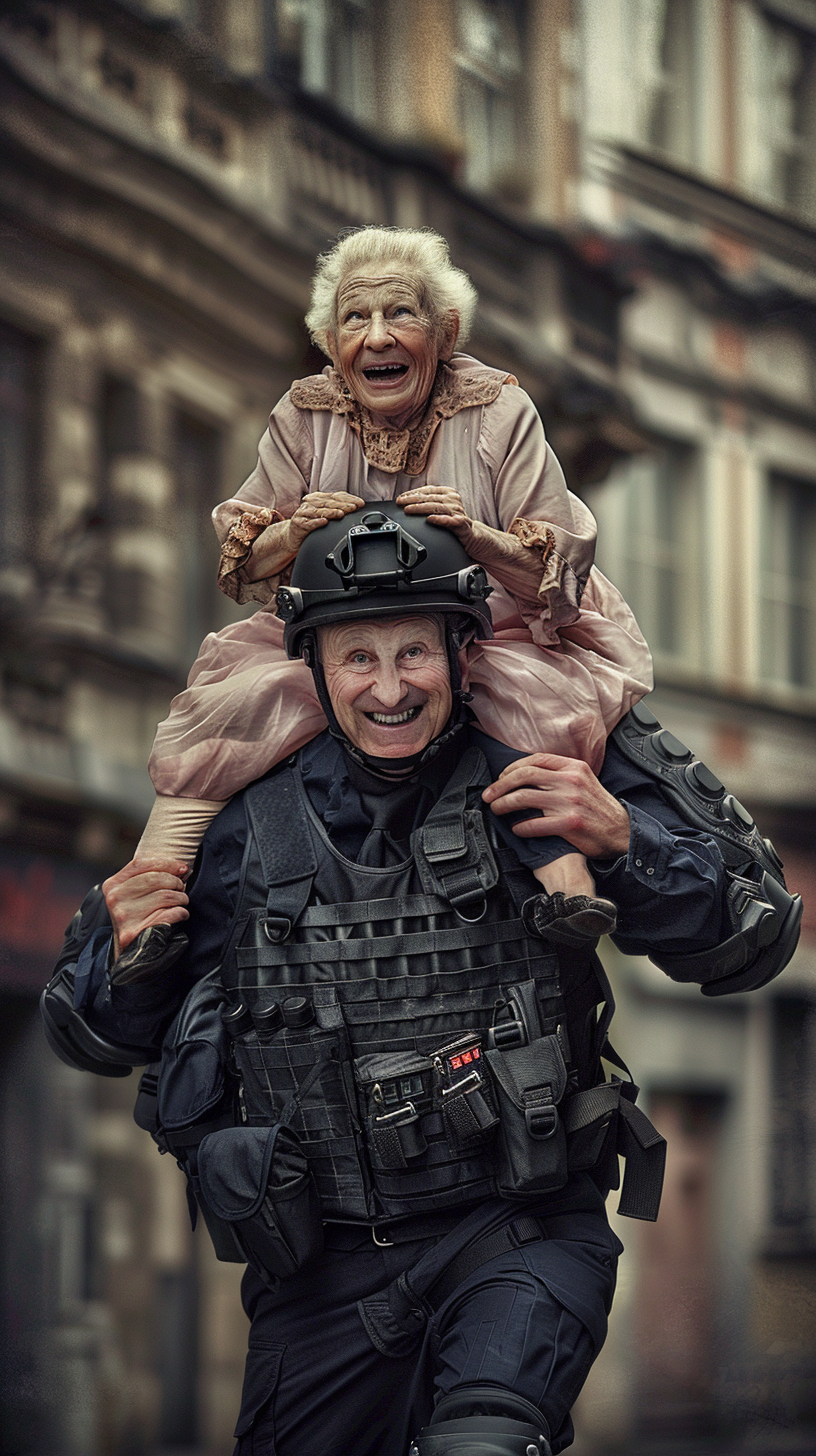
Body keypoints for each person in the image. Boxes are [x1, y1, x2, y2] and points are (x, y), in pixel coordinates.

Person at [42, 508, 801, 1456]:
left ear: (467, 652)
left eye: (416, 653)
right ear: (313, 669)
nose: (390, 688)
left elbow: (754, 940)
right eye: (358, 657)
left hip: (517, 1236)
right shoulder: (240, 824)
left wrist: (625, 840)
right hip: (321, 1278)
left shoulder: (546, 776)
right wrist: (127, 955)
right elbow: (90, 1036)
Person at [134, 225, 654, 961]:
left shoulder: (500, 411)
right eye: (355, 318)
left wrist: (479, 538)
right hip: (334, 637)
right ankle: (147, 894)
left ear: (444, 333)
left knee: (528, 699)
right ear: (328, 341)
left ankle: (567, 885)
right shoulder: (303, 413)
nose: (377, 336)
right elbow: (246, 560)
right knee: (230, 703)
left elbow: (558, 560)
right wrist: (291, 533)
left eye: (400, 314)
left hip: (488, 624)